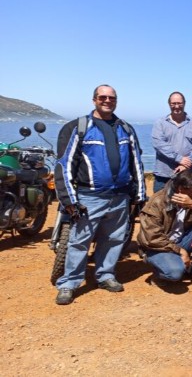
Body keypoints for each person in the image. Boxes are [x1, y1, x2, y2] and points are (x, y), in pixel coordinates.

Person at [53, 84, 146, 305]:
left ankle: (105, 275)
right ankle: (69, 283)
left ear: (116, 101)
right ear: (94, 100)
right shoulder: (79, 127)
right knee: (79, 241)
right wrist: (68, 199)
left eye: (111, 98)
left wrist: (140, 194)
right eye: (102, 97)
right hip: (90, 197)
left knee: (113, 239)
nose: (107, 101)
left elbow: (136, 162)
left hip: (120, 197)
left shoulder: (126, 128)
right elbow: (64, 165)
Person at [137, 170, 192, 288]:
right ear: (180, 189)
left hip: (180, 241)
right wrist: (180, 251)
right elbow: (152, 238)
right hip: (157, 247)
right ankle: (159, 274)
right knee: (175, 274)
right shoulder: (158, 202)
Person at [151, 91, 192, 193]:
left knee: (188, 203)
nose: (177, 106)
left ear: (184, 103)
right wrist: (179, 158)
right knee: (160, 203)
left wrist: (186, 164)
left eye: (179, 103)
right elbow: (159, 144)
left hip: (188, 177)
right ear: (169, 104)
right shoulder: (160, 123)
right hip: (164, 176)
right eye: (173, 103)